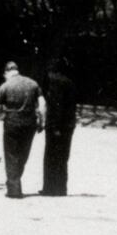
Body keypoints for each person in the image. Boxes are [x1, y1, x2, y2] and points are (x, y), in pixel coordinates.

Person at [0, 61, 46, 199]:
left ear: (7, 72)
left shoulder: (5, 86)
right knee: (23, 155)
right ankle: (14, 182)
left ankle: (14, 189)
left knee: (11, 155)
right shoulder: (33, 84)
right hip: (29, 123)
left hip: (11, 123)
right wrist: (42, 122)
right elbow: (42, 104)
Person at [41, 59, 77, 196]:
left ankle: (49, 188)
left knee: (50, 156)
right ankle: (61, 188)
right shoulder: (70, 82)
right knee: (63, 157)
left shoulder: (56, 82)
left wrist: (55, 126)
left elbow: (57, 106)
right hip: (68, 125)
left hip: (57, 125)